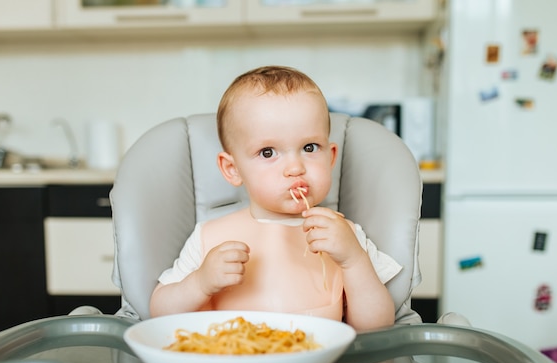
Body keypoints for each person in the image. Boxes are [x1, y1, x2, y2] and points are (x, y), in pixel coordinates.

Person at [149, 65, 399, 331]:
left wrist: (354, 261)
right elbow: (160, 313)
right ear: (232, 169)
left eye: (310, 148)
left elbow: (377, 327)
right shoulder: (208, 238)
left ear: (331, 157)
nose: (295, 168)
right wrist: (199, 284)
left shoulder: (347, 237)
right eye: (268, 153)